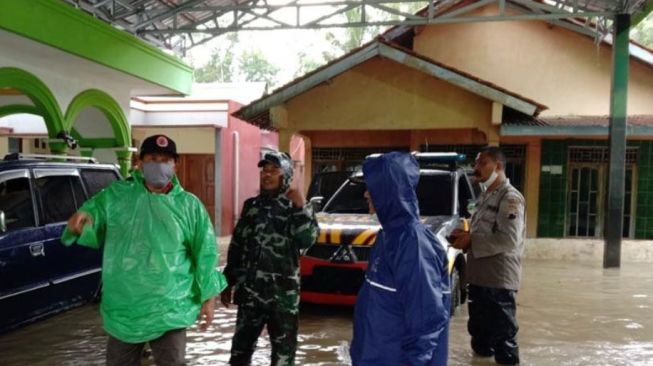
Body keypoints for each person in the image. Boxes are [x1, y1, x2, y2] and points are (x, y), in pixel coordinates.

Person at [62, 134, 226, 366]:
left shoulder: (190, 206)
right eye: (152, 158)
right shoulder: (115, 196)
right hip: (125, 307)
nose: (159, 164)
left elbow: (205, 254)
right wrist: (81, 223)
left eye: (165, 159)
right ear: (139, 162)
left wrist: (208, 298)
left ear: (175, 164)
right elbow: (92, 217)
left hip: (170, 307)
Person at [350, 152, 450, 366]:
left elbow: (426, 320)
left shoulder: (412, 242)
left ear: (389, 190)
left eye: (372, 188)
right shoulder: (388, 236)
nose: (366, 194)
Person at [221, 150, 319, 366]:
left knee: (283, 357)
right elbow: (237, 246)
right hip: (250, 295)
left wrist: (301, 206)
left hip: (283, 299)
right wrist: (227, 281)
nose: (267, 175)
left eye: (274, 170)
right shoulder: (251, 206)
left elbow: (306, 241)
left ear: (286, 175)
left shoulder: (298, 207)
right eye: (264, 170)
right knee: (239, 354)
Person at [449, 146, 525, 365]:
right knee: (480, 337)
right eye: (476, 163)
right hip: (479, 277)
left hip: (498, 281)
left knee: (504, 342)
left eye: (482, 163)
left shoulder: (511, 198)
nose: (476, 168)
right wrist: (465, 235)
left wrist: (472, 240)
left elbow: (509, 239)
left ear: (498, 166)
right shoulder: (485, 196)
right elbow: (483, 232)